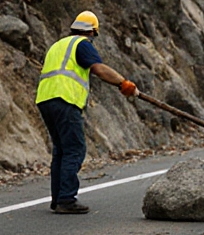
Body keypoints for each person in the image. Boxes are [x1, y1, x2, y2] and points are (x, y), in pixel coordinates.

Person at [35, 11, 138, 214]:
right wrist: (123, 83)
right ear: (91, 31)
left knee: (61, 150)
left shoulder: (58, 45)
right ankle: (66, 199)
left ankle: (58, 198)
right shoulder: (81, 44)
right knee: (75, 149)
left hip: (45, 100)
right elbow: (98, 69)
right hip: (65, 99)